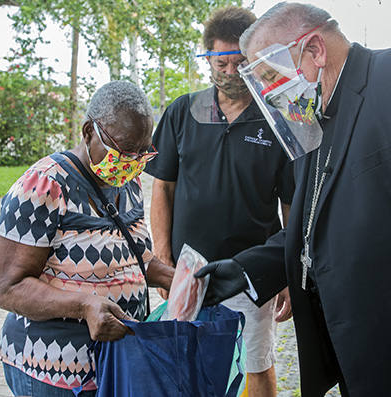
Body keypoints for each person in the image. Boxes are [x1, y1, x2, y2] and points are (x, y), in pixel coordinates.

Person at [194, 2, 391, 396]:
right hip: (363, 361)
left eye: (268, 76)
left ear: (314, 50)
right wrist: (244, 271)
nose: (266, 93)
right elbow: (311, 226)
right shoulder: (312, 121)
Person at [145, 6, 295, 396]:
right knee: (184, 360)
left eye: (239, 63)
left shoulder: (277, 119)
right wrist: (162, 257)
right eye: (221, 63)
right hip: (187, 270)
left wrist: (287, 271)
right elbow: (163, 187)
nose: (230, 73)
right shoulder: (183, 111)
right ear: (207, 58)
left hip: (251, 271)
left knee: (256, 363)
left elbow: (290, 204)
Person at [0, 80, 174, 396]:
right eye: (123, 150)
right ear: (89, 131)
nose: (132, 162)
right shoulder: (43, 186)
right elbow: (10, 287)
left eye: (143, 151)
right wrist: (83, 305)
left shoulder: (126, 182)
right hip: (52, 373)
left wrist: (185, 279)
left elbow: (138, 258)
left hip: (115, 367)